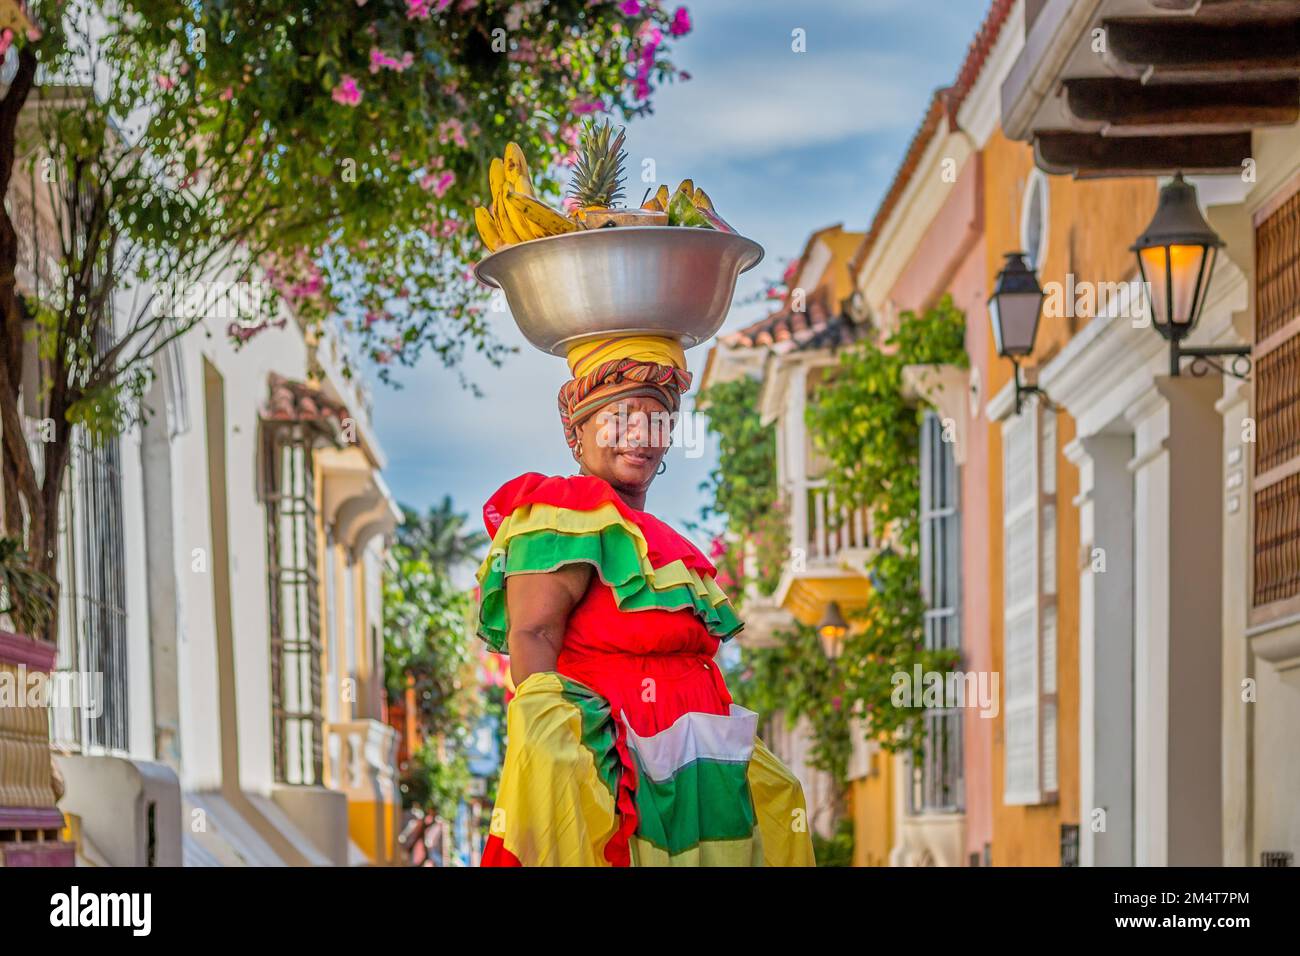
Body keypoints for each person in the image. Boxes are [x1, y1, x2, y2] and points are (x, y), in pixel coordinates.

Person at [475, 336, 815, 866]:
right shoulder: (563, 510)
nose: (640, 435)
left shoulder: (663, 540)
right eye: (620, 416)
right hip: (620, 773)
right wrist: (557, 751)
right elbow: (534, 634)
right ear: (578, 430)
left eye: (658, 420)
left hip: (699, 777)